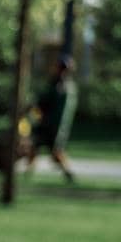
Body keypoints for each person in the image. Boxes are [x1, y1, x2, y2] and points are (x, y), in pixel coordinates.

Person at [27, 54, 78, 182]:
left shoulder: (64, 87)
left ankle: (69, 174)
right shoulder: (56, 84)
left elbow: (47, 104)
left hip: (54, 126)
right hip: (46, 123)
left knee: (56, 153)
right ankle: (28, 173)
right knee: (34, 146)